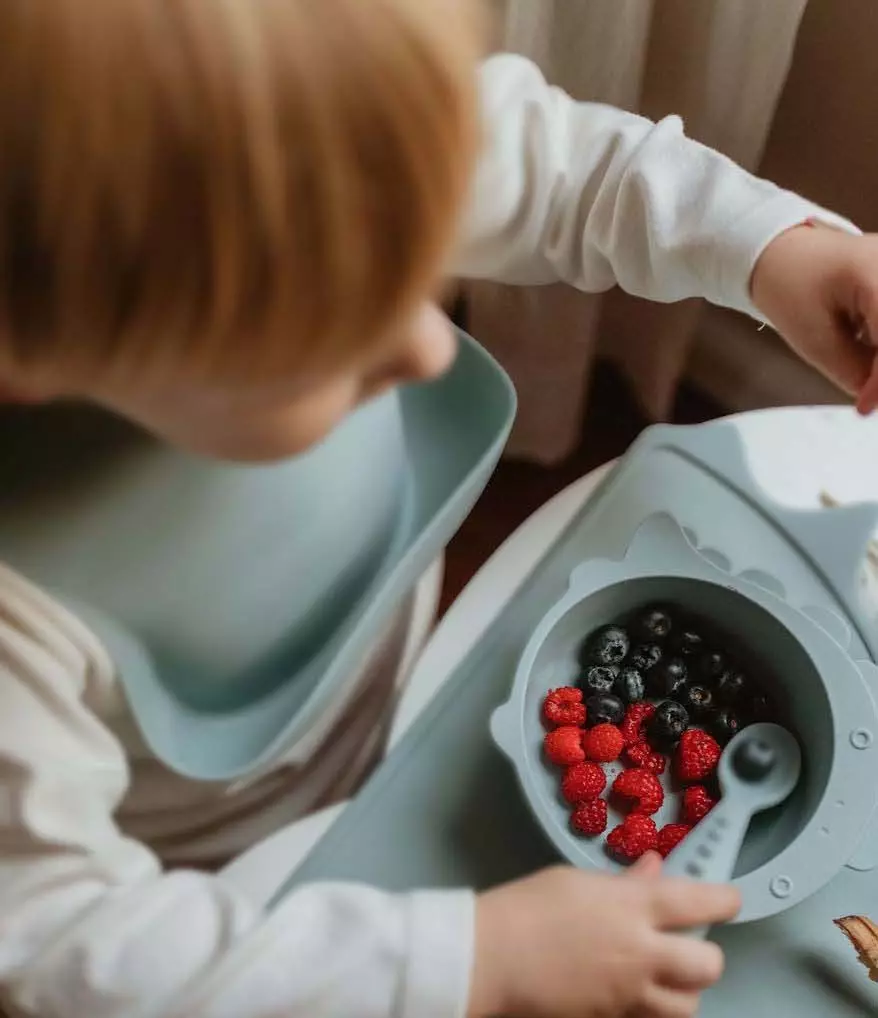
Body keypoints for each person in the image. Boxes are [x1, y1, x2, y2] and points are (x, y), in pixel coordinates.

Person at [0, 2, 874, 1016]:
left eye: (414, 273)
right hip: (210, 839)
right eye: (332, 340)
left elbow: (564, 173)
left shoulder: (319, 140)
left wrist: (771, 248)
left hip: (390, 658)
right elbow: (61, 946)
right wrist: (470, 960)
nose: (427, 347)